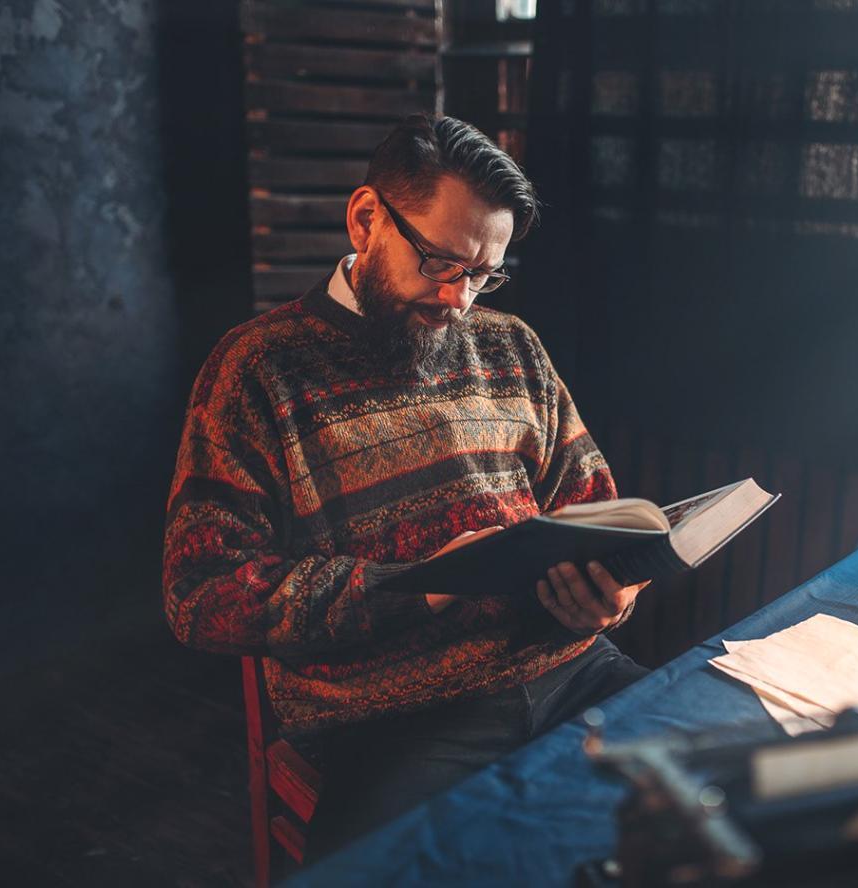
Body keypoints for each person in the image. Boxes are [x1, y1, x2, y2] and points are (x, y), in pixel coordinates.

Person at [162, 115, 649, 859]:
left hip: (572, 671)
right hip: (399, 712)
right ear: (366, 219)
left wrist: (616, 593)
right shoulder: (257, 370)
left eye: (485, 273)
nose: (460, 299)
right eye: (440, 263)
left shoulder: (511, 344)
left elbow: (595, 508)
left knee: (737, 800)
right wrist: (417, 586)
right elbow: (201, 596)